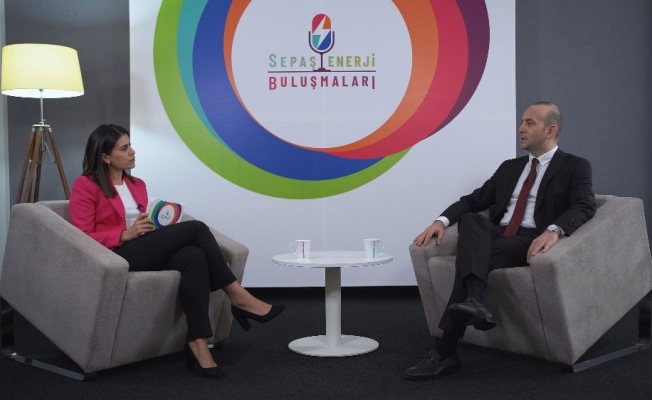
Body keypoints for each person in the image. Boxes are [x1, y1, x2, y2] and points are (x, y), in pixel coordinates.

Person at [69, 124, 285, 379]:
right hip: (116, 255)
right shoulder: (86, 185)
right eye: (124, 148)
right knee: (196, 228)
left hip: (142, 247)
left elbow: (143, 222)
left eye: (130, 146)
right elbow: (81, 236)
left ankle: (198, 342)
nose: (132, 152)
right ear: (105, 157)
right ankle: (239, 297)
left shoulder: (137, 184)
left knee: (194, 255)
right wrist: (124, 234)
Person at [403, 102, 596, 380]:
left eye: (529, 123)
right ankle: (476, 302)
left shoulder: (575, 166)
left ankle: (445, 351)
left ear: (550, 130)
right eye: (521, 122)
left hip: (530, 239)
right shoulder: (510, 167)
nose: (520, 128)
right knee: (472, 220)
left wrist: (554, 230)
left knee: (473, 256)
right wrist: (440, 221)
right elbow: (473, 201)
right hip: (498, 233)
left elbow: (584, 205)